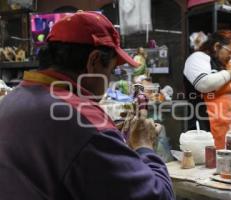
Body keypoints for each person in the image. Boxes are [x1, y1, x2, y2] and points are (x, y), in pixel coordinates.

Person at [0, 11, 174, 200]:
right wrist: (143, 145)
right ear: (94, 61)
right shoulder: (84, 121)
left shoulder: (11, 100)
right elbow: (159, 195)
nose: (109, 80)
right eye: (112, 70)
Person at [183, 29, 231, 149]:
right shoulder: (197, 58)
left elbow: (223, 85)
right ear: (217, 46)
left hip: (229, 124)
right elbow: (204, 84)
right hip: (206, 123)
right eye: (230, 51)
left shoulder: (222, 63)